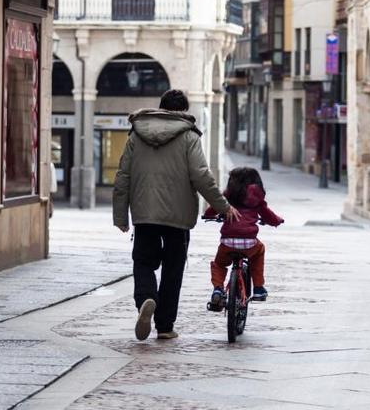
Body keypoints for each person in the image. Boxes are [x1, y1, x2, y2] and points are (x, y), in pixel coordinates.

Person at [113, 89, 240, 341]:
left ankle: (146, 298)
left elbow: (123, 176)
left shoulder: (136, 134)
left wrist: (120, 216)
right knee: (173, 270)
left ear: (160, 107)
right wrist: (223, 206)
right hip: (178, 216)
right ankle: (165, 326)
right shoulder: (189, 136)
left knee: (143, 261)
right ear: (183, 111)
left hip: (144, 213)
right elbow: (201, 176)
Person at [202, 167, 283, 309]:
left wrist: (208, 215)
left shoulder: (227, 196)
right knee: (260, 251)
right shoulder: (257, 200)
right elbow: (268, 215)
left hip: (227, 243)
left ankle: (218, 289)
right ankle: (258, 288)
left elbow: (212, 209)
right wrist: (277, 220)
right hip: (249, 244)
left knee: (219, 264)